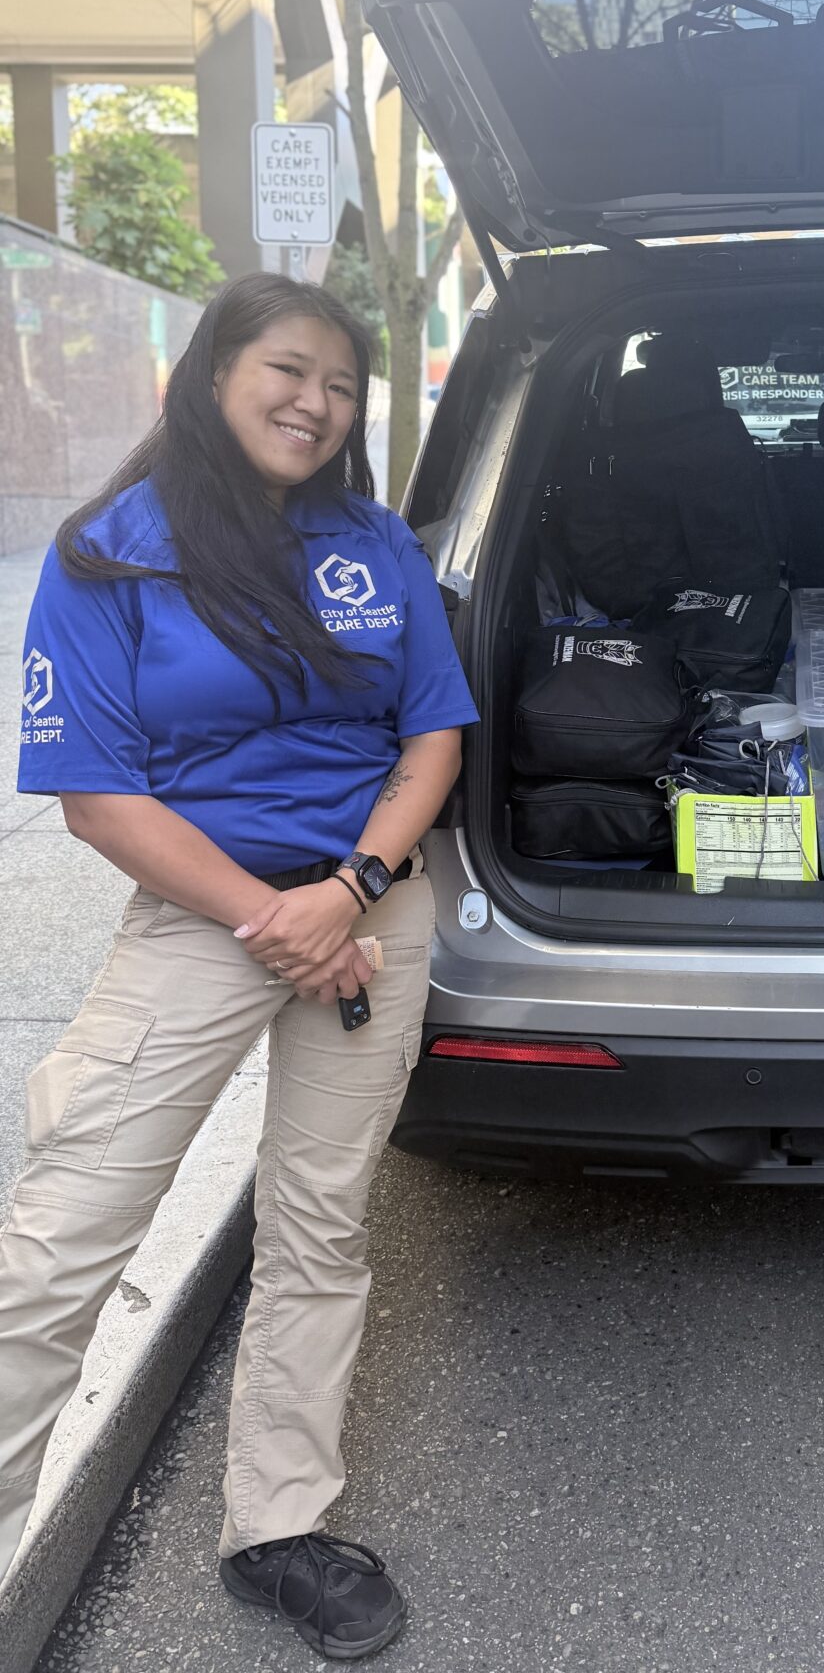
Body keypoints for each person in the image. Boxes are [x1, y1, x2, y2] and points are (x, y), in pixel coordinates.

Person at [0, 273, 477, 1658]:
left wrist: (356, 889)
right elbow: (96, 793)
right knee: (62, 1231)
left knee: (320, 1226)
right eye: (287, 369)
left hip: (369, 913)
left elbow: (432, 736)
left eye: (340, 384)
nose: (315, 403)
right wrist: (277, 920)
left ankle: (279, 1527)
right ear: (210, 375)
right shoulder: (109, 555)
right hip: (205, 920)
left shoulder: (377, 546)